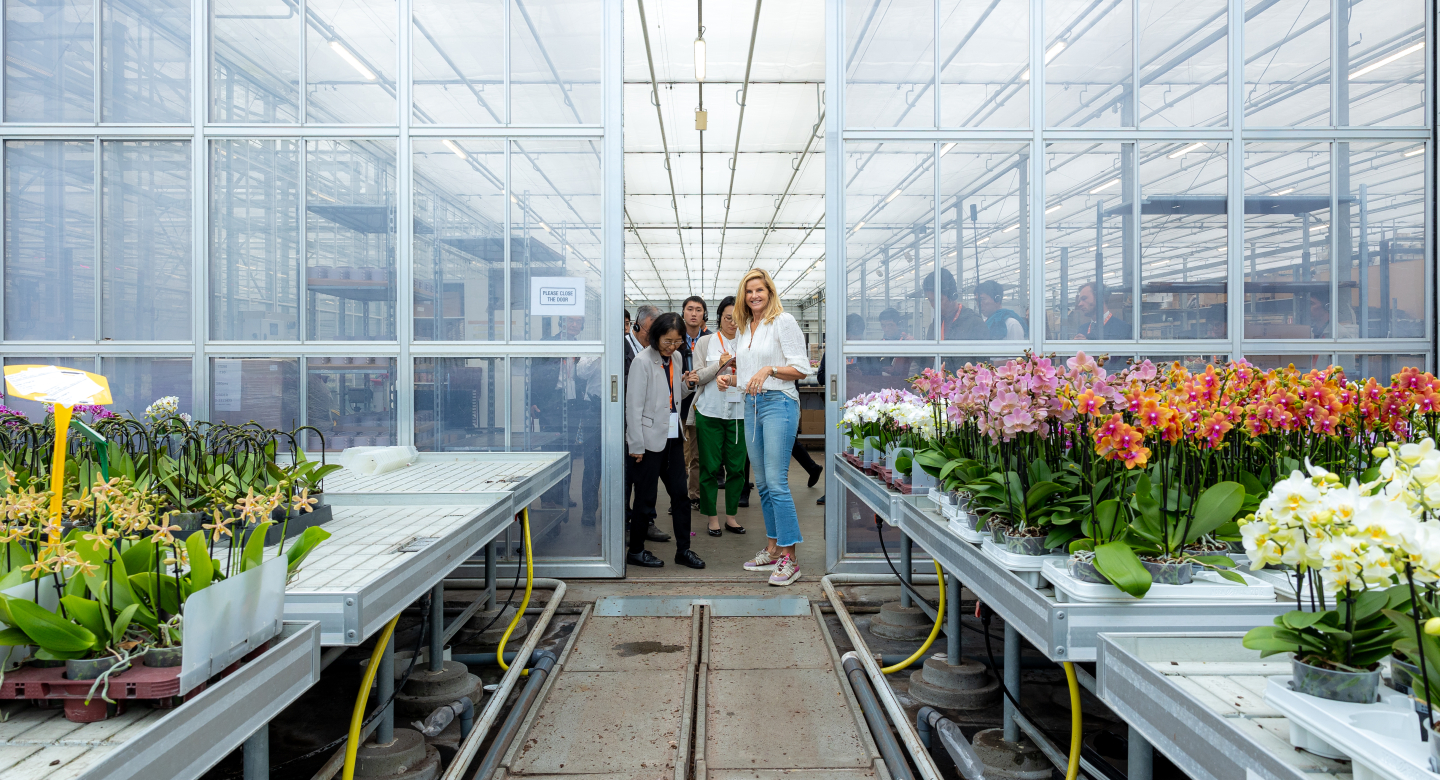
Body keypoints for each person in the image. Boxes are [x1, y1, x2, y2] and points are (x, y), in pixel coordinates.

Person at [721, 268, 813, 586]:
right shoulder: (746, 328)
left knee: (777, 482)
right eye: (749, 291)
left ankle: (791, 558)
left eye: (760, 290)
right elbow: (750, 377)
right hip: (752, 405)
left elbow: (801, 367)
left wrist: (770, 368)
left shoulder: (782, 321)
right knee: (761, 484)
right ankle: (773, 549)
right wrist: (731, 378)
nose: (754, 295)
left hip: (779, 405)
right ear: (742, 297)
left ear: (770, 292)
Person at [626, 312, 705, 570]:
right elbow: (633, 408)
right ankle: (636, 551)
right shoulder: (642, 362)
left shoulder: (678, 358)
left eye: (677, 342)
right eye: (667, 342)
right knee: (646, 499)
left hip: (672, 437)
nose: (672, 347)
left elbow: (674, 396)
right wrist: (636, 445)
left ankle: (684, 550)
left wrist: (688, 385)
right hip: (648, 442)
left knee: (681, 497)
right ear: (655, 337)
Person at [688, 296, 747, 536]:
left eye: (737, 318)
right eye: (727, 317)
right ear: (719, 318)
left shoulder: (749, 343)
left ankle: (731, 517)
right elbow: (697, 377)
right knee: (709, 467)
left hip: (739, 414)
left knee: (736, 468)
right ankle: (712, 517)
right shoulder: (705, 342)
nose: (732, 322)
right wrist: (719, 366)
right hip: (709, 412)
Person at [624, 305, 670, 543]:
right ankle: (624, 524)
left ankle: (646, 521)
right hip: (626, 422)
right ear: (637, 326)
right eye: (652, 330)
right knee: (626, 478)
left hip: (651, 424)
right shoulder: (622, 347)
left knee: (647, 480)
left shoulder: (657, 352)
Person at [680, 296, 711, 508]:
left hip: (702, 402)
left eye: (698, 310)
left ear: (703, 315)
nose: (693, 313)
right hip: (679, 404)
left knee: (699, 454)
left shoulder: (712, 340)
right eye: (689, 309)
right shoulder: (674, 337)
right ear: (683, 313)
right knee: (680, 455)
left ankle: (695, 496)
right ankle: (679, 496)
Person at [923, 269, 988, 340]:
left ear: (953, 296)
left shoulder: (975, 324)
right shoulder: (934, 327)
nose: (934, 305)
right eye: (931, 300)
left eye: (939, 300)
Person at [877, 307, 913, 377]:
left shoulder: (906, 343)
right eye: (883, 326)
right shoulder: (879, 344)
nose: (886, 329)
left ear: (898, 324)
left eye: (890, 325)